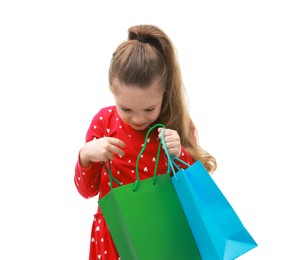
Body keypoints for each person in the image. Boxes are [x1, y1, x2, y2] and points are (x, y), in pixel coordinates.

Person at [74, 24, 217, 260]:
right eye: (126, 108)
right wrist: (86, 156)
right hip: (114, 237)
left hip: (162, 235)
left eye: (149, 108)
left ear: (164, 92)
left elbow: (195, 191)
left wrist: (180, 153)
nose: (138, 118)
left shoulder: (176, 124)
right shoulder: (104, 122)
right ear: (112, 91)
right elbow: (86, 190)